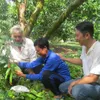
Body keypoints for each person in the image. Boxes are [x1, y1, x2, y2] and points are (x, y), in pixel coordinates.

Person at [59, 21, 100, 100]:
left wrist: (76, 83)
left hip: (97, 84)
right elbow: (82, 61)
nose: (76, 38)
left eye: (77, 36)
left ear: (87, 35)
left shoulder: (98, 49)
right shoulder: (84, 46)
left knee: (77, 91)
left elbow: (93, 78)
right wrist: (65, 58)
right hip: (87, 80)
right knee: (62, 87)